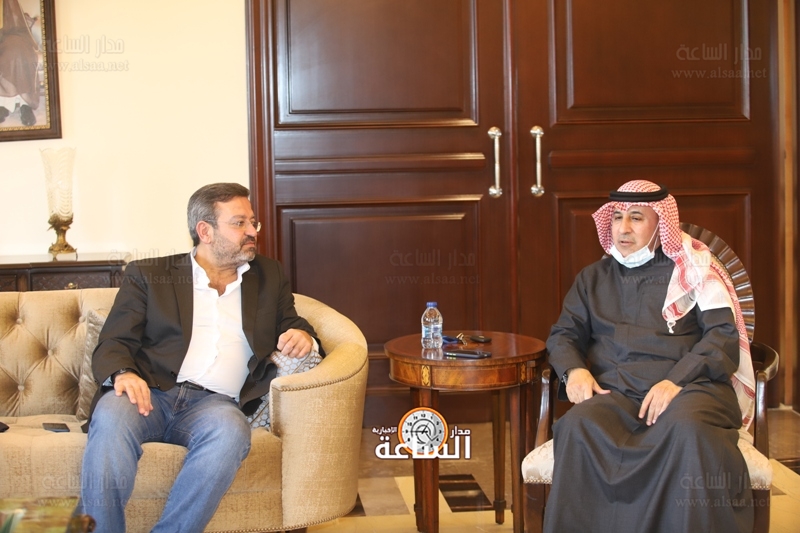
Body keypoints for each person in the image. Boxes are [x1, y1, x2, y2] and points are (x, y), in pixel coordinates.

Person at [76, 183, 322, 532]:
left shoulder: (269, 275)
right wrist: (123, 373)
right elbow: (114, 340)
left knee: (231, 433)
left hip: (216, 405)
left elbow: (293, 322)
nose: (252, 232)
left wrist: (303, 335)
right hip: (150, 394)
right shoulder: (149, 275)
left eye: (253, 222)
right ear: (205, 231)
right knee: (111, 417)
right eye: (239, 223)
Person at [543, 180, 756, 532]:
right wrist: (574, 371)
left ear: (661, 223)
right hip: (618, 394)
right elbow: (564, 334)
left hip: (691, 390)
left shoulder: (695, 271)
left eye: (636, 217)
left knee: (687, 430)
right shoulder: (592, 279)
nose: (623, 228)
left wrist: (676, 381)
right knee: (578, 425)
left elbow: (722, 338)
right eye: (617, 217)